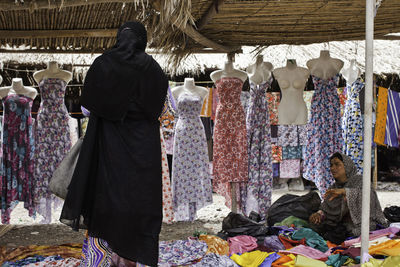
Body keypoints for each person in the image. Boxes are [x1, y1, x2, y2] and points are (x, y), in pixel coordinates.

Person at [60, 21, 168, 266]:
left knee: (107, 197)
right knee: (139, 199)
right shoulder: (153, 69)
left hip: (108, 146)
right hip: (143, 148)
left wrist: (112, 108)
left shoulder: (103, 64)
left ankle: (108, 255)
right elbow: (158, 109)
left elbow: (87, 106)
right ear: (143, 40)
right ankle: (130, 257)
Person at [309, 152, 387, 244]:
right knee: (314, 227)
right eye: (331, 165)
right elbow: (326, 207)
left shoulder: (360, 181)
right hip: (341, 226)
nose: (333, 168)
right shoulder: (333, 188)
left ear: (347, 166)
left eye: (337, 164)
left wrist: (345, 192)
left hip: (360, 225)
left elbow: (368, 198)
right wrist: (319, 214)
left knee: (360, 233)